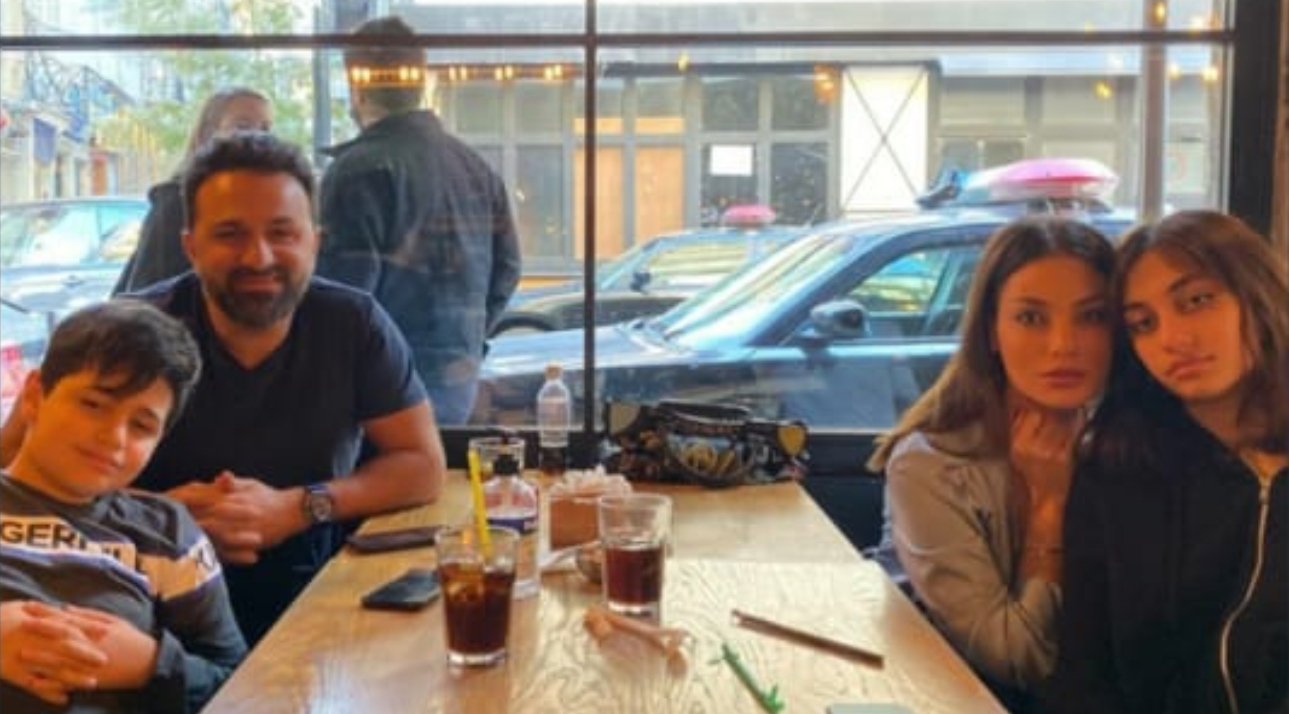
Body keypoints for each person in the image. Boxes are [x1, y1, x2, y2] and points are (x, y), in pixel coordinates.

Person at [4, 131, 448, 645]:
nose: (258, 257)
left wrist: (299, 507)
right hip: (134, 606)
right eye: (230, 234)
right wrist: (161, 519)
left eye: (282, 233)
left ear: (314, 241)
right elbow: (14, 467)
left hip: (310, 597)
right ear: (190, 246)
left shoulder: (353, 324)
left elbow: (421, 463)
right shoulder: (131, 333)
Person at [1046, 210, 1288, 713]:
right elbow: (1085, 673)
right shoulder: (1118, 470)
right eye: (1143, 324)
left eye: (1196, 301)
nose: (1172, 339)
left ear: (1256, 292)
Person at [866, 216, 1116, 702]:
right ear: (992, 333)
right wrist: (1047, 507)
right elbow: (1017, 659)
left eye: (1091, 316)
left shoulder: (1129, 444)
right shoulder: (931, 466)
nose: (1063, 345)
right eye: (1031, 318)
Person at [1, 300, 246, 712]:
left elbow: (243, 681)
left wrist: (151, 665)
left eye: (142, 425)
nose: (114, 437)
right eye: (93, 404)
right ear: (34, 396)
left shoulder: (166, 535)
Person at [316, 15, 522, 425]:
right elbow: (507, 271)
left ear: (357, 86)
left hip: (378, 391)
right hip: (456, 382)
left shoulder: (356, 171)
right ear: (419, 80)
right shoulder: (475, 169)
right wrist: (466, 344)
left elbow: (343, 300)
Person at [113, 87, 272, 295]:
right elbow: (147, 296)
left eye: (265, 129)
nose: (257, 137)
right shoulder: (176, 204)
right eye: (242, 126)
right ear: (209, 134)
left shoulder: (268, 202)